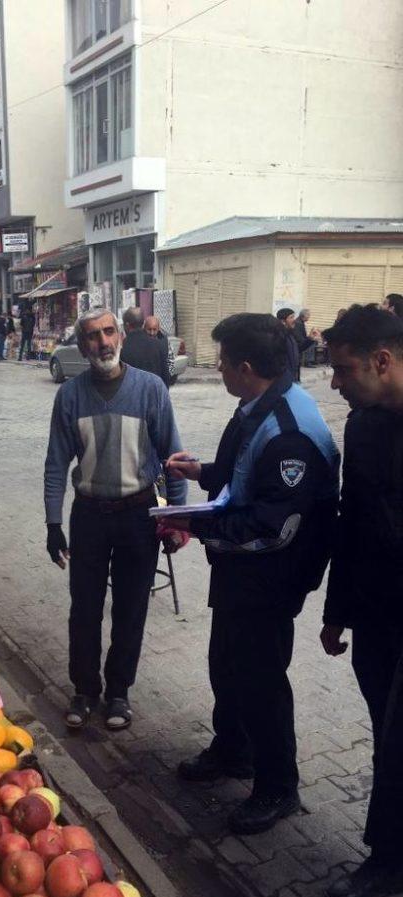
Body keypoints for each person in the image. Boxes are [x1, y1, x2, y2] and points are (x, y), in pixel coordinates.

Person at [165, 313, 338, 835]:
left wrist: (192, 526)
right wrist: (204, 474)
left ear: (244, 367)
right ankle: (233, 749)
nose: (217, 369)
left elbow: (273, 527)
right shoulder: (254, 407)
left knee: (261, 679)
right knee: (227, 663)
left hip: (270, 575)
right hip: (240, 569)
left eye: (221, 362)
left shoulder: (290, 432)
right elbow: (244, 477)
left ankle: (277, 787)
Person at [44, 308, 187, 732]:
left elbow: (173, 458)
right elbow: (56, 464)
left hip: (138, 515)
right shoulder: (69, 396)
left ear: (121, 335)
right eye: (92, 336)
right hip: (88, 515)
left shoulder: (151, 390)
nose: (102, 342)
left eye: (108, 332)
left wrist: (179, 520)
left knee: (130, 609)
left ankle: (119, 691)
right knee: (83, 609)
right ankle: (85, 689)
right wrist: (54, 525)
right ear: (82, 344)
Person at [319, 305, 403, 897]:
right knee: (386, 733)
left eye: (344, 369)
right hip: (378, 617)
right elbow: (352, 521)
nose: (334, 382)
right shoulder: (364, 426)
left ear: (383, 360)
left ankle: (387, 860)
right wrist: (336, 609)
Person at [120, 308, 171, 387]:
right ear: (143, 323)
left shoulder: (122, 347)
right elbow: (166, 376)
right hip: (154, 395)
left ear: (127, 325)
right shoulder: (158, 345)